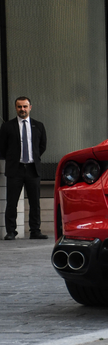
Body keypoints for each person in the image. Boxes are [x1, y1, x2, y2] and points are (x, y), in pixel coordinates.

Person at [0, 97, 48, 240]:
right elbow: (2, 148)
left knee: (35, 202)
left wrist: (33, 158)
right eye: (19, 107)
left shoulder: (38, 126)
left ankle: (35, 231)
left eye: (25, 106)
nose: (22, 109)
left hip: (33, 169)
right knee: (11, 202)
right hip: (15, 169)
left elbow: (42, 146)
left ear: (30, 107)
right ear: (16, 108)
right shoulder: (7, 127)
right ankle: (10, 232)